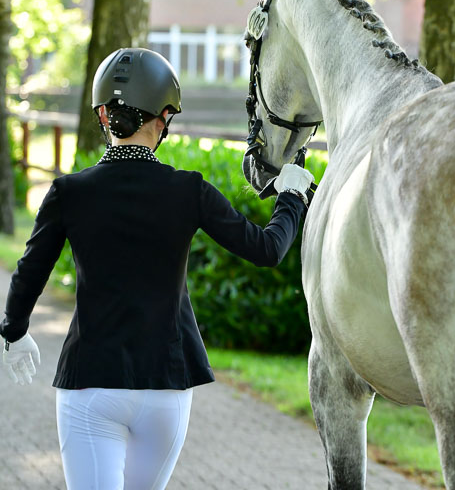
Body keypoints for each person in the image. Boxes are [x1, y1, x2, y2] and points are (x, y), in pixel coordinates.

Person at [0, 47, 315, 490]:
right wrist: (291, 198)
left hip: (91, 381)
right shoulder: (189, 190)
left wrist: (14, 331)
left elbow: (30, 271)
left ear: (103, 115)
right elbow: (266, 249)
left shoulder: (69, 192)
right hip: (167, 384)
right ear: (164, 118)